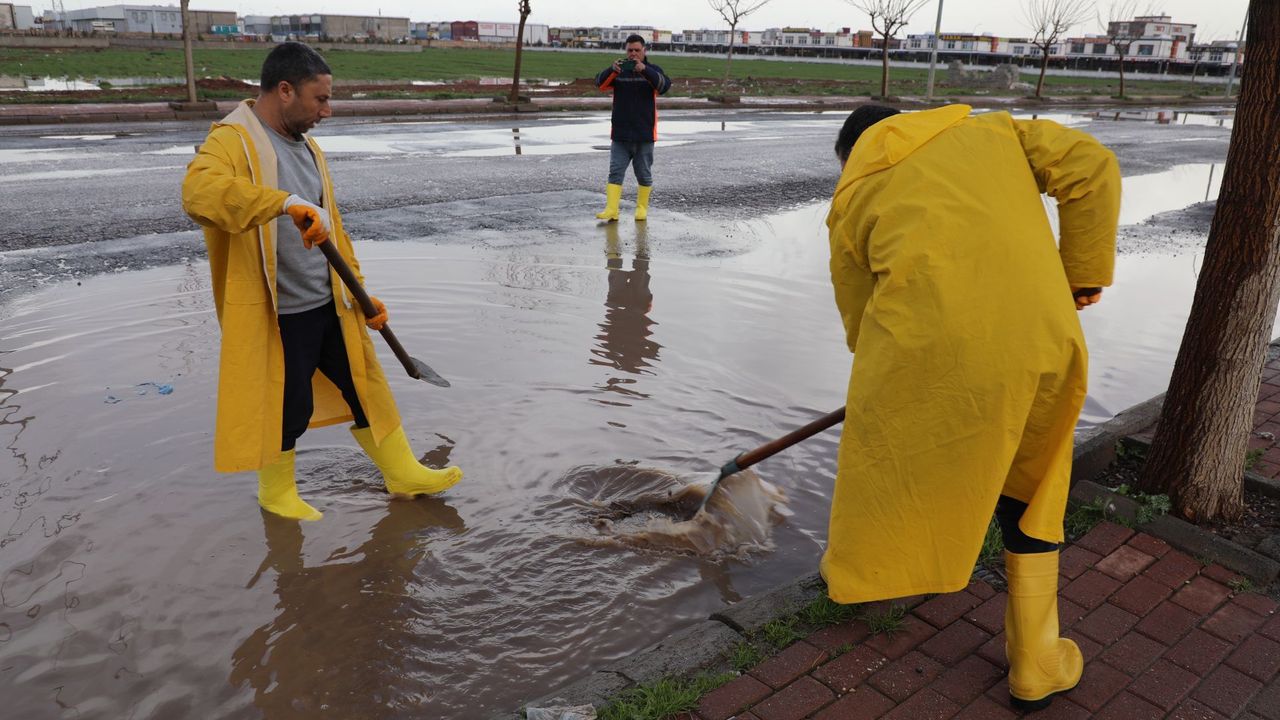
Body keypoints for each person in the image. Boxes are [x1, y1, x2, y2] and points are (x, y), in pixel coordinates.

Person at [822, 104, 1118, 711]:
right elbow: (1093, 166)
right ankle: (1036, 662)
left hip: (931, 359)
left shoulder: (852, 197)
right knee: (1034, 488)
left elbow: (858, 315)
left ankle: (858, 574)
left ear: (851, 155)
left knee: (884, 464)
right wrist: (1080, 276)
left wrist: (882, 381)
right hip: (1040, 341)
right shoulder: (995, 131)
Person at [181, 42, 462, 522]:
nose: (327, 111)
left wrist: (362, 292)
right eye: (321, 99)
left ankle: (403, 473)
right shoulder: (232, 140)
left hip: (330, 300)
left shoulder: (309, 148)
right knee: (286, 403)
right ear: (285, 90)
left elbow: (334, 229)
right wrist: (283, 202)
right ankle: (276, 493)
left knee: (364, 387)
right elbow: (199, 193)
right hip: (281, 310)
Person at [593, 34, 672, 223]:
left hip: (644, 134)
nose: (633, 54)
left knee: (643, 174)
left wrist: (644, 70)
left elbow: (664, 86)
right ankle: (612, 210)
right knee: (615, 172)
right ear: (626, 51)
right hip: (620, 134)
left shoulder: (653, 70)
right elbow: (599, 84)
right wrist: (612, 70)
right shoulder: (619, 71)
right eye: (630, 50)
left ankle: (642, 208)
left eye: (637, 50)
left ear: (644, 51)